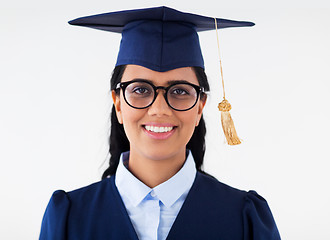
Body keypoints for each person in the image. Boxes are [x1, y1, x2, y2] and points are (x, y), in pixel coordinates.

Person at [39, 6, 281, 240]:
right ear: (118, 103)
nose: (159, 110)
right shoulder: (68, 217)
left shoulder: (244, 218)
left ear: (200, 107)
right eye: (141, 90)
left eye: (180, 91)